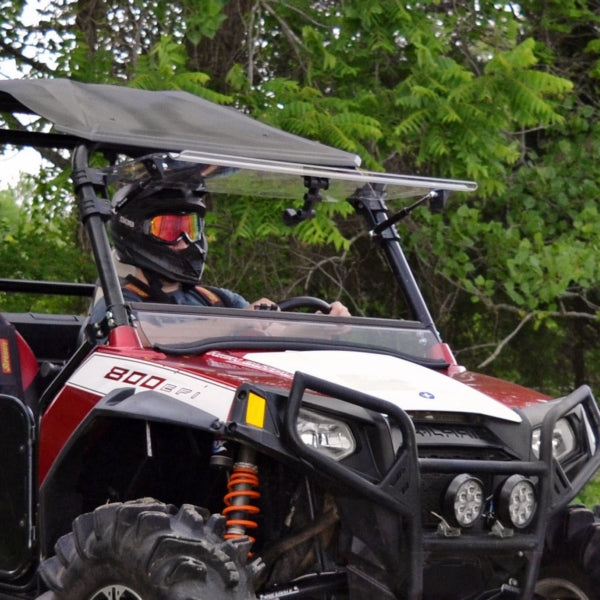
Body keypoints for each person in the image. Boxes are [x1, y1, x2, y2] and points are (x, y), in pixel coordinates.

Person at [91, 178, 350, 322]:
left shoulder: (218, 300)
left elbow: (266, 334)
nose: (185, 241)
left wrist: (321, 325)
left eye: (191, 229)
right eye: (171, 229)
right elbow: (138, 343)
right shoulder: (119, 306)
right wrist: (236, 327)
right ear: (136, 231)